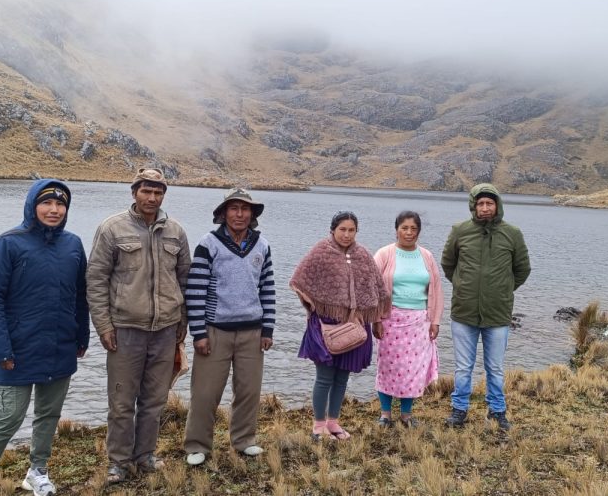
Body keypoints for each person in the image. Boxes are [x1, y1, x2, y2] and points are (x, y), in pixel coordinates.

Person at [0, 180, 90, 496]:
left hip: (60, 347)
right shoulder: (8, 243)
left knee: (48, 415)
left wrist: (81, 336)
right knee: (7, 418)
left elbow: (80, 295)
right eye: (46, 203)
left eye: (60, 204)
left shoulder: (73, 245)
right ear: (32, 206)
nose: (54, 210)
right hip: (17, 350)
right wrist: (1, 351)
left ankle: (38, 472)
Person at [86, 168, 190, 484]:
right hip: (125, 330)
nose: (152, 197)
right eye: (146, 191)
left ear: (164, 195)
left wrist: (182, 323)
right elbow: (96, 279)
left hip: (165, 331)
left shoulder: (176, 232)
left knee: (154, 400)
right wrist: (103, 325)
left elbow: (185, 280)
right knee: (121, 402)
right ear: (134, 192)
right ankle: (118, 462)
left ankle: (145, 455)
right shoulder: (112, 228)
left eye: (158, 192)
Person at [183, 188, 275, 466]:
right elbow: (195, 291)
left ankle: (244, 440)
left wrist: (268, 328)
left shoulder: (262, 245)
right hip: (215, 330)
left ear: (252, 214)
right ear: (223, 213)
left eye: (245, 209)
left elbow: (267, 288)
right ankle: (197, 445)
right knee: (205, 392)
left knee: (249, 391)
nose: (239, 214)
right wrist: (198, 333)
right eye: (234, 208)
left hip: (252, 331)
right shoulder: (208, 244)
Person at [291, 211, 390, 441]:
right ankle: (318, 426)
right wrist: (314, 306)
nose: (347, 234)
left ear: (356, 231)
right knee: (324, 377)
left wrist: (375, 319)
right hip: (326, 325)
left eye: (351, 230)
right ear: (333, 230)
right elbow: (299, 280)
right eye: (342, 229)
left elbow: (377, 289)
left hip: (355, 326)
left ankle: (333, 422)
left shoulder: (363, 255)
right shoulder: (321, 251)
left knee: (342, 378)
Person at [441, 183, 531, 431]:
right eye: (480, 203)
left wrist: (503, 290)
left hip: (498, 314)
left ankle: (497, 411)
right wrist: (463, 286)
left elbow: (522, 269)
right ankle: (459, 410)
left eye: (489, 203)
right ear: (473, 205)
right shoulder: (460, 231)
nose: (484, 208)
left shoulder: (512, 233)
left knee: (495, 367)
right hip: (464, 312)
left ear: (497, 205)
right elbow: (448, 264)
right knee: (463, 367)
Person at [372, 211, 442, 428]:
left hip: (419, 322)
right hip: (390, 320)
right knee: (388, 366)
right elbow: (371, 287)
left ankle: (406, 414)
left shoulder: (427, 256)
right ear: (396, 230)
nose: (409, 232)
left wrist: (435, 320)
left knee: (412, 369)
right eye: (404, 228)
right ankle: (385, 414)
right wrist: (375, 319)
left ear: (419, 231)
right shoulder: (384, 254)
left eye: (413, 228)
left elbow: (437, 290)